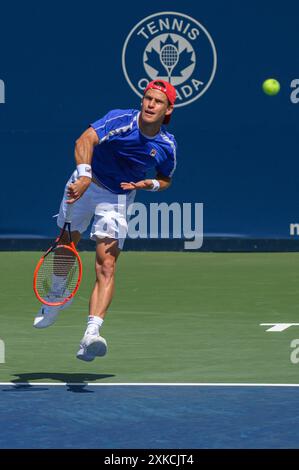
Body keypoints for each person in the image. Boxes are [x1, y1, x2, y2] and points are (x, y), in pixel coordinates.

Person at [33, 79, 178, 361]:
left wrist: (149, 184)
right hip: (88, 182)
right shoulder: (120, 120)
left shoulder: (167, 145)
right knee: (65, 244)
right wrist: (85, 175)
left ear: (168, 109)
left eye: (158, 102)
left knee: (107, 263)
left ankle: (91, 334)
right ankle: (57, 296)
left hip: (117, 198)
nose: (150, 104)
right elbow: (84, 140)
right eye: (147, 98)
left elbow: (166, 179)